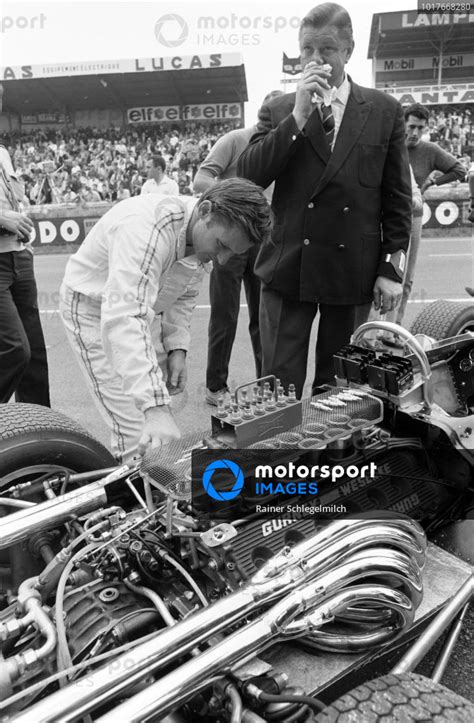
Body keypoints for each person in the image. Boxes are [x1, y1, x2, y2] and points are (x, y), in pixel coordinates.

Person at [238, 2, 412, 397]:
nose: (315, 60)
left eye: (327, 50)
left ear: (348, 51)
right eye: (307, 51)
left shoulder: (385, 111)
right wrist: (297, 118)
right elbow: (247, 176)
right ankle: (281, 458)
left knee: (339, 391)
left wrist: (391, 268)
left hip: (353, 269)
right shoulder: (280, 108)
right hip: (288, 268)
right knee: (277, 387)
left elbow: (397, 198)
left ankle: (332, 459)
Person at [59, 178, 271, 464]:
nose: (222, 260)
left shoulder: (200, 230)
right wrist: (154, 408)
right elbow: (125, 317)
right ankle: (136, 501)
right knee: (137, 428)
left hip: (143, 311)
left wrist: (177, 348)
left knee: (158, 425)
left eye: (233, 252)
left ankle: (157, 487)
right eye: (222, 245)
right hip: (94, 310)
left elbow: (183, 293)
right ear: (205, 210)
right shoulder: (147, 229)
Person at [193, 90, 283, 406]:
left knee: (264, 317)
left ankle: (266, 386)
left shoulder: (287, 147)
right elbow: (200, 180)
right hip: (229, 239)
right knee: (224, 314)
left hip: (264, 242)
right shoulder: (235, 139)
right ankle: (216, 387)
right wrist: (237, 203)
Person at [390, 103, 466, 324]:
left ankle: (395, 329)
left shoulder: (429, 150)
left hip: (413, 216)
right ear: (403, 124)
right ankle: (373, 330)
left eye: (420, 128)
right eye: (411, 126)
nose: (414, 133)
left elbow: (459, 169)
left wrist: (433, 181)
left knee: (406, 278)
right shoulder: (391, 146)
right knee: (384, 274)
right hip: (387, 215)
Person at [0, 84, 50, 406]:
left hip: (19, 257)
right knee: (15, 348)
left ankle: (39, 429)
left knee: (35, 356)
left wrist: (20, 220)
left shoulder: (3, 152)